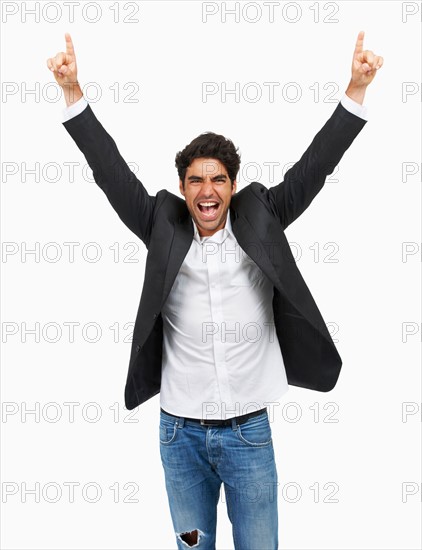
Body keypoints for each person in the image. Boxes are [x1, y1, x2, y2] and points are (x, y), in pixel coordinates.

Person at [47, 32, 383, 550]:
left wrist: (355, 90)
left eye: (219, 180)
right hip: (178, 438)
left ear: (232, 185)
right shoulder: (161, 222)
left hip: (249, 436)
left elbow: (314, 168)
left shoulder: (262, 216)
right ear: (183, 188)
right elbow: (111, 173)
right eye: (197, 181)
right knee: (193, 546)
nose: (208, 191)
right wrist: (74, 93)